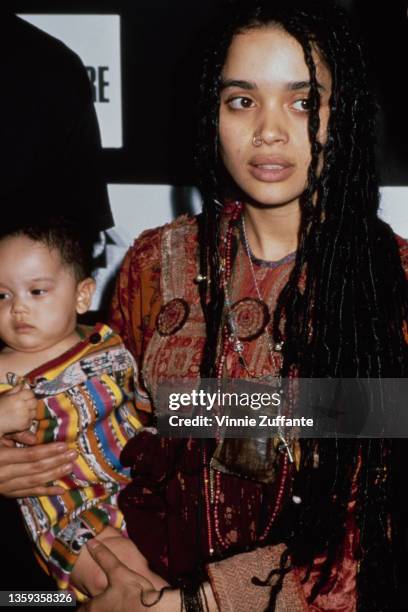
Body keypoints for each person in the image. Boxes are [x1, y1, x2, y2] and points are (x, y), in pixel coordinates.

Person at [104, 1, 407, 610]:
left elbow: (377, 527)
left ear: (341, 115)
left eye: (302, 102)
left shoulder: (389, 284)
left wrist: (192, 606)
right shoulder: (154, 266)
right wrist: (101, 563)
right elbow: (110, 434)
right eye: (242, 100)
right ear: (212, 115)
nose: (269, 131)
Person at [0, 218, 167, 601]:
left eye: (37, 291)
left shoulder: (105, 339)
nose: (18, 308)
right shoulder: (5, 369)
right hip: (71, 509)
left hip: (143, 489)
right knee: (125, 582)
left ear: (82, 295)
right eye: (2, 296)